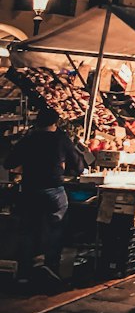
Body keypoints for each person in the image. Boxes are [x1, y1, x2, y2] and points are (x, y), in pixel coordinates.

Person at [3, 106, 85, 289]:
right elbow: (79, 166)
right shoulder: (61, 139)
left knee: (27, 231)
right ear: (55, 122)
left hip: (29, 190)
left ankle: (24, 273)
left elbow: (8, 163)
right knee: (56, 229)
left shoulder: (28, 139)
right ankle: (51, 268)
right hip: (53, 191)